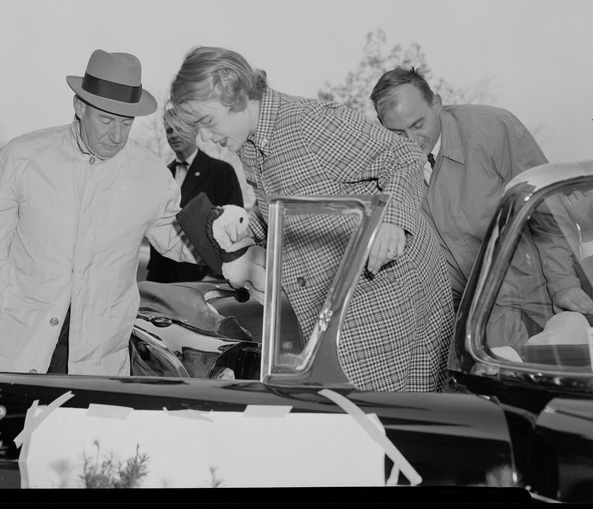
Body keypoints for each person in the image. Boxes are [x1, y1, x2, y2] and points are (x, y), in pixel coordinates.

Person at [166, 46, 453, 392]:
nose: (205, 138)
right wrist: (247, 228)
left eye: (206, 123)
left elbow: (403, 156)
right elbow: (290, 205)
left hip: (390, 296)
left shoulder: (309, 124)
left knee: (383, 421)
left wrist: (392, 221)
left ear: (235, 93)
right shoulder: (252, 146)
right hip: (339, 305)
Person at [0, 49, 213, 377]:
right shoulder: (23, 157)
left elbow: (178, 239)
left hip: (98, 357)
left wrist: (225, 238)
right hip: (17, 345)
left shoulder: (151, 173)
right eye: (106, 120)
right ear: (79, 107)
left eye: (126, 122)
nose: (116, 135)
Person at [370, 67, 593, 344]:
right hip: (471, 316)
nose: (411, 141)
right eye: (397, 132)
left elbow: (546, 207)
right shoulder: (383, 163)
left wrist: (563, 283)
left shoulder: (493, 128)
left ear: (437, 104)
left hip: (539, 294)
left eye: (418, 125)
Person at [145, 119, 244, 283]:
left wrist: (215, 276)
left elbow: (236, 229)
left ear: (195, 131)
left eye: (179, 129)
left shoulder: (221, 172)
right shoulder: (161, 175)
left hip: (201, 277)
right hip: (160, 275)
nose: (174, 135)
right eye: (169, 131)